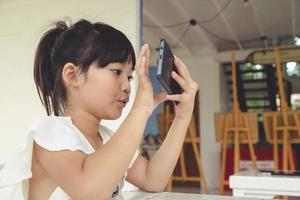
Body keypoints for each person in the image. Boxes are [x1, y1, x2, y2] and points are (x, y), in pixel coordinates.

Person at [29, 19, 198, 200]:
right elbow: (90, 191)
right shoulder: (49, 132)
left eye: (130, 77)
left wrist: (183, 116)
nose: (127, 86)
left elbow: (152, 179)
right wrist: (141, 108)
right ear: (72, 75)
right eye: (116, 72)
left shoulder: (107, 138)